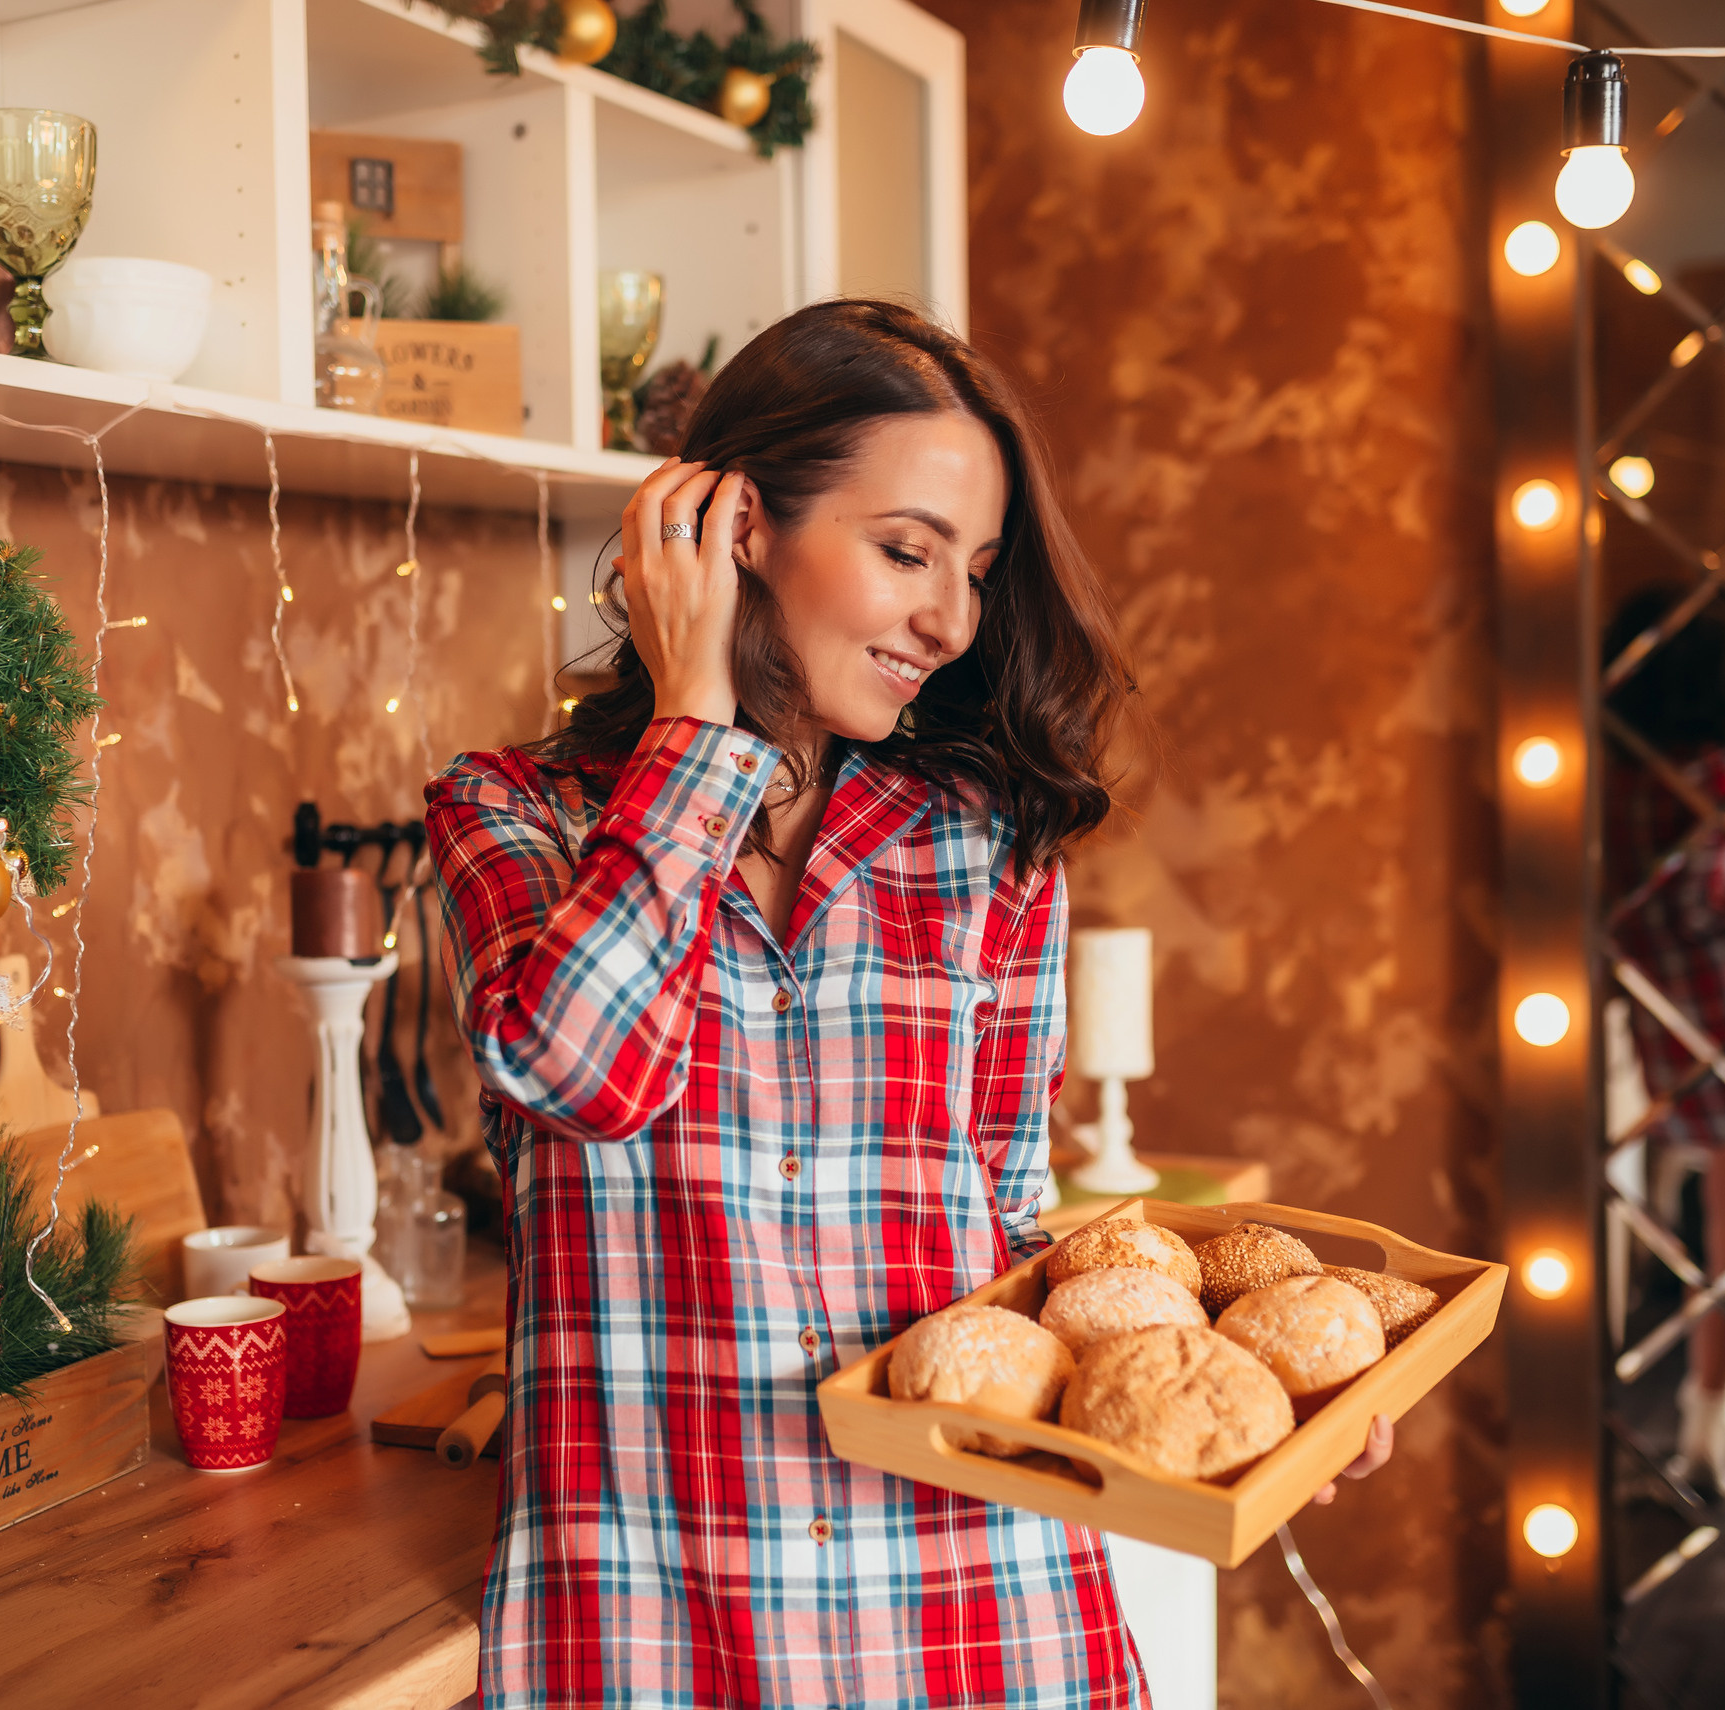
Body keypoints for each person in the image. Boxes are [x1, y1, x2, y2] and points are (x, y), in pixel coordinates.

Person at [426, 299, 1389, 1709]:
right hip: (655, 1628)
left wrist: (1259, 1392)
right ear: (735, 526)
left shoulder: (985, 842)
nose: (950, 619)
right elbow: (582, 1075)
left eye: (977, 571)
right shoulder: (514, 813)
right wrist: (693, 725)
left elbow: (1010, 1229)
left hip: (974, 1614)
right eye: (905, 551)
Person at [1604, 582, 1725, 1496]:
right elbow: (1694, 899)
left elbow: (1645, 904)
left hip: (1674, 1003)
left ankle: (1720, 1398)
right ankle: (1709, 1404)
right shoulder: (1711, 772)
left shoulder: (1617, 779)